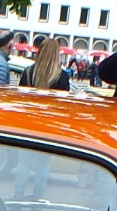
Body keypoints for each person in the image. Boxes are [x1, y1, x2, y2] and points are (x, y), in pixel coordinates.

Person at [12, 38, 69, 200]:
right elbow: (63, 106)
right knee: (43, 165)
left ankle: (18, 195)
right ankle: (38, 198)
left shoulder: (29, 72)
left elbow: (21, 100)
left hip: (28, 124)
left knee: (23, 163)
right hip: (48, 127)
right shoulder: (61, 77)